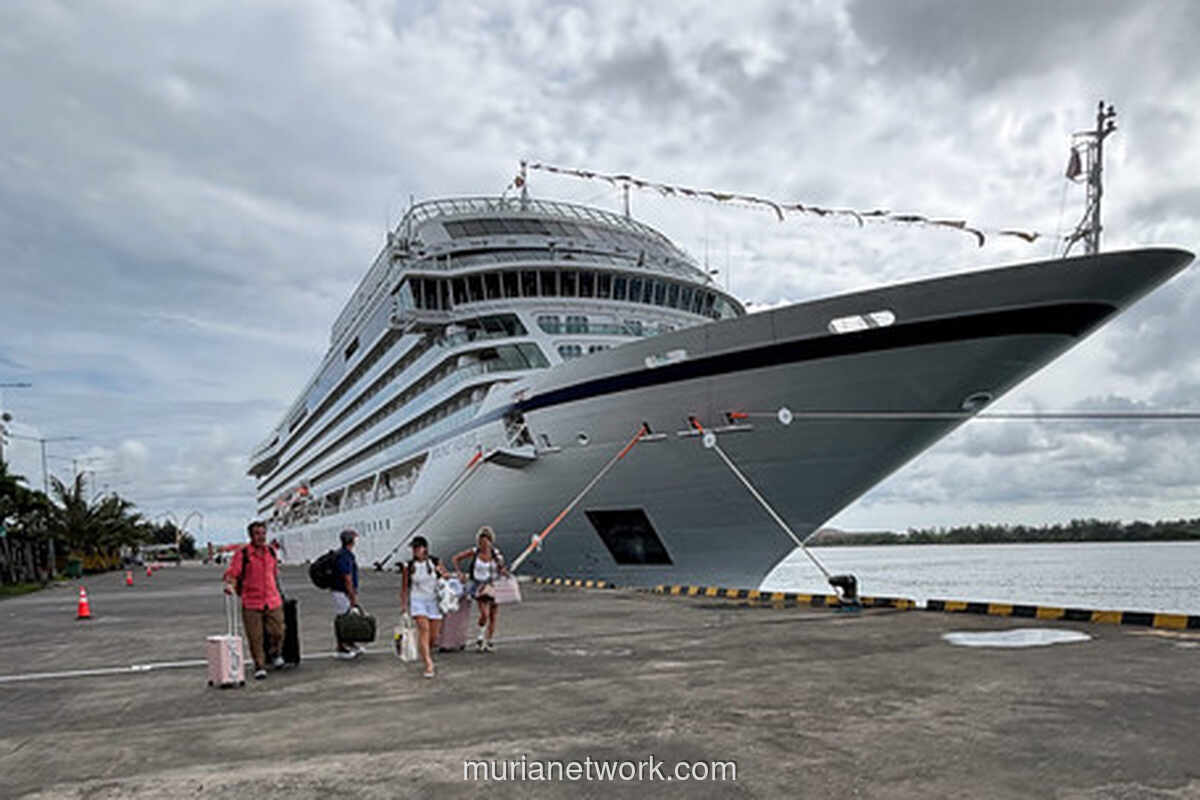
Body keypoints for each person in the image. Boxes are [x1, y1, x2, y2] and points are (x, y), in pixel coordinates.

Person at [222, 520, 285, 680]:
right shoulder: (242, 554)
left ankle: (274, 652)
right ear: (250, 536)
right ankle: (259, 665)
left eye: (263, 533)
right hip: (251, 601)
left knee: (278, 631)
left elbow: (274, 574)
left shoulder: (271, 552)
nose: (261, 537)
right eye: (257, 534)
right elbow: (233, 573)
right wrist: (230, 586)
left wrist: (280, 592)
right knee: (255, 636)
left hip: (272, 599)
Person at [400, 535, 450, 678]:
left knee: (434, 636)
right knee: (424, 629)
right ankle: (428, 663)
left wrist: (444, 574)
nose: (415, 551)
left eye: (417, 548)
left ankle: (424, 650)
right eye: (413, 548)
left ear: (425, 548)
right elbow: (404, 588)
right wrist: (404, 606)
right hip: (417, 600)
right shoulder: (408, 566)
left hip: (434, 600)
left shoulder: (435, 562)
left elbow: (446, 576)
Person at [452, 526, 508, 653]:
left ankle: (488, 641)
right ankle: (480, 636)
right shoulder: (475, 552)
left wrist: (503, 571)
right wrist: (459, 573)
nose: (483, 544)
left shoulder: (496, 554)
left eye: (485, 541)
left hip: (493, 586)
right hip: (479, 586)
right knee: (484, 614)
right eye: (481, 542)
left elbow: (501, 568)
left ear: (490, 541)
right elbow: (456, 558)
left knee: (493, 615)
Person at [331, 529, 362, 659]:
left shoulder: (345, 554)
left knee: (348, 619)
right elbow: (347, 577)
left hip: (342, 591)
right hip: (342, 592)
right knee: (343, 620)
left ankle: (350, 643)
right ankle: (341, 648)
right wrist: (352, 596)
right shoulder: (345, 556)